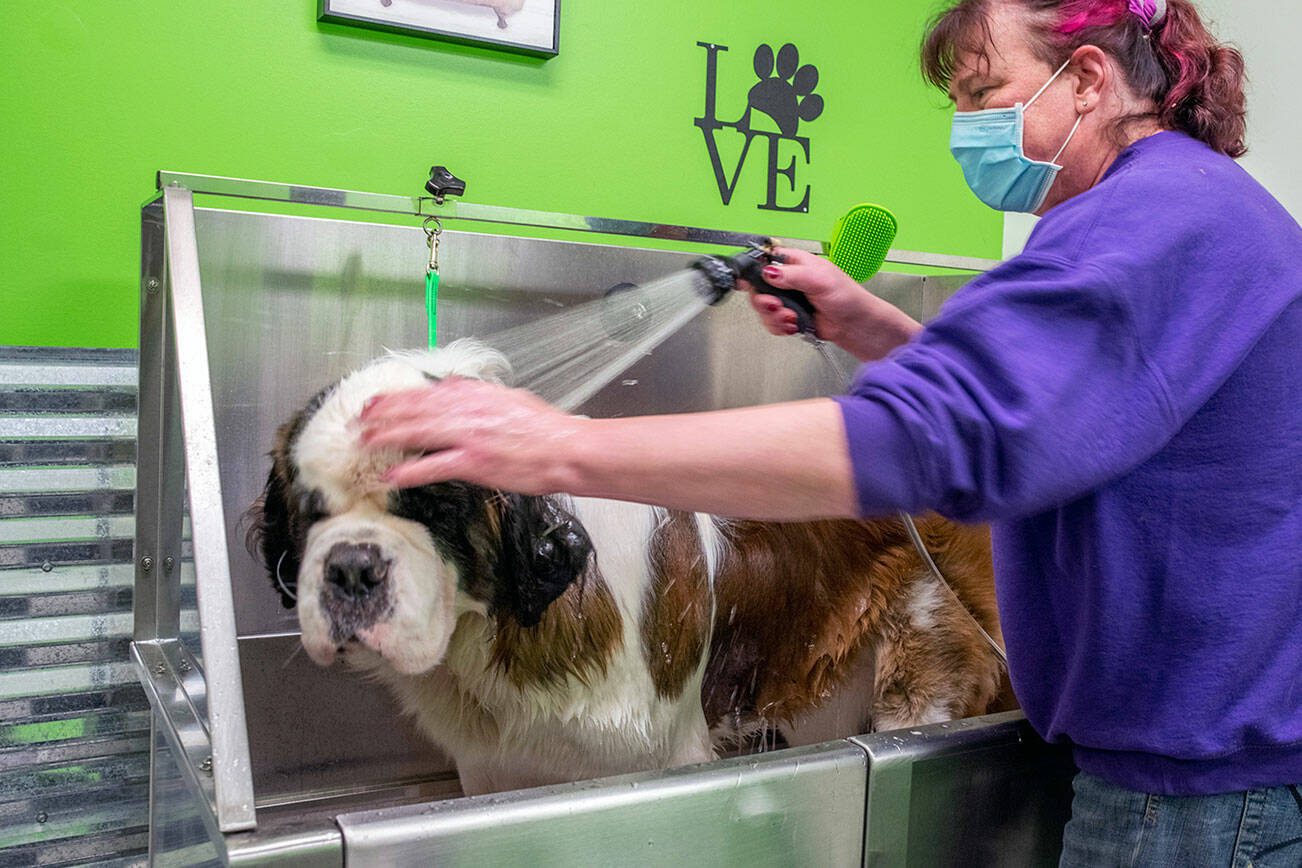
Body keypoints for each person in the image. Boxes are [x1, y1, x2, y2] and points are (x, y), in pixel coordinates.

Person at [359, 0, 1302, 863]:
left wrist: (558, 451)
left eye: (985, 92)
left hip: (1189, 802)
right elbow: (1047, 414)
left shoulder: (1156, 220)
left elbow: (939, 436)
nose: (967, 126)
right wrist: (869, 327)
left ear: (1089, 78)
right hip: (1192, 776)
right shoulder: (1180, 209)